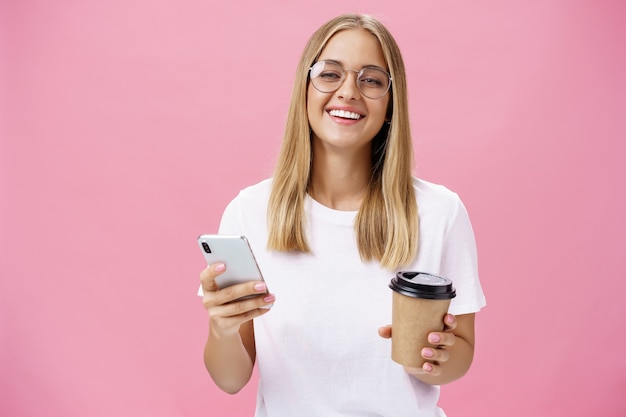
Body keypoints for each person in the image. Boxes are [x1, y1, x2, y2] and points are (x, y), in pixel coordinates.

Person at [199, 13, 486, 417]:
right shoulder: (249, 214)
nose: (348, 91)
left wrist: (437, 357)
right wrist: (221, 327)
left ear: (390, 103)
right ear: (305, 89)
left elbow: (458, 359)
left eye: (370, 80)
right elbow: (230, 380)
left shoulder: (439, 213)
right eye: (330, 74)